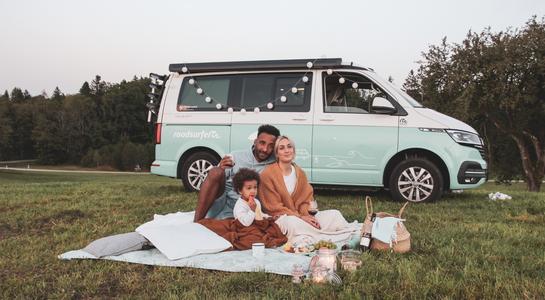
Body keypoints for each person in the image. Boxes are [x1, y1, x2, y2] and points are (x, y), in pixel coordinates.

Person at [258, 135, 354, 244]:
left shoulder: (300, 173)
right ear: (276, 154)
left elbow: (306, 200)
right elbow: (274, 208)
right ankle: (325, 236)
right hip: (283, 218)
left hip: (301, 216)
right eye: (281, 148)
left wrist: (307, 216)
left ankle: (313, 236)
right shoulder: (267, 174)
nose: (286, 151)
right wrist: (301, 217)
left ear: (293, 151)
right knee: (292, 223)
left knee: (334, 215)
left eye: (289, 147)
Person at [194, 124, 280, 222]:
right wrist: (221, 169)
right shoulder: (235, 156)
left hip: (249, 207)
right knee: (215, 171)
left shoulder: (276, 163)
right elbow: (215, 180)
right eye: (262, 143)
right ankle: (196, 222)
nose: (265, 149)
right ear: (255, 142)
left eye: (271, 146)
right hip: (223, 201)